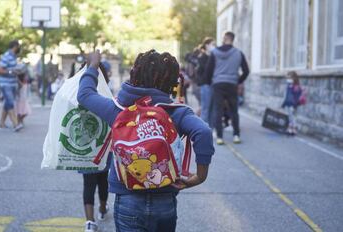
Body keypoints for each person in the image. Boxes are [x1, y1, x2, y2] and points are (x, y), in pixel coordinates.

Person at [78, 49, 214, 232]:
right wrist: (199, 177)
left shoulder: (118, 110)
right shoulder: (176, 112)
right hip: (165, 200)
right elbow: (203, 132)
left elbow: (85, 95)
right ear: (171, 82)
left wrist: (93, 65)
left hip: (128, 199)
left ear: (135, 75)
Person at [202, 31, 249, 145]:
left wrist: (209, 82)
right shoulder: (239, 53)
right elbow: (246, 71)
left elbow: (208, 70)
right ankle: (236, 135)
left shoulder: (215, 53)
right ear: (233, 39)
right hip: (232, 84)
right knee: (234, 110)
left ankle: (219, 137)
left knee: (218, 110)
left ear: (224, 38)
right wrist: (238, 81)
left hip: (217, 84)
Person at [0, 40, 23, 131]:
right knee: (10, 102)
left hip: (13, 83)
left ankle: (1, 123)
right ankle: (16, 124)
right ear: (15, 46)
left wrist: (18, 79)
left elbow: (12, 70)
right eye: (18, 46)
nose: (19, 48)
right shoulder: (6, 56)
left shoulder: (14, 57)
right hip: (5, 84)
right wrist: (11, 71)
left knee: (7, 103)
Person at [197, 37, 216, 127]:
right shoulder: (202, 57)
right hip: (205, 85)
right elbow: (200, 72)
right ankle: (203, 128)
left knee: (212, 109)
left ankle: (211, 128)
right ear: (207, 45)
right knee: (206, 108)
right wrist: (202, 83)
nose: (214, 46)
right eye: (212, 44)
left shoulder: (214, 56)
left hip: (213, 84)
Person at [281, 71, 303, 135]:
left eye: (289, 78)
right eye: (287, 78)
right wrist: (283, 104)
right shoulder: (288, 86)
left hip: (293, 104)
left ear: (294, 78)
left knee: (293, 117)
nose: (288, 79)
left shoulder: (296, 86)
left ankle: (294, 129)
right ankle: (290, 128)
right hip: (288, 103)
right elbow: (286, 96)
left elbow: (297, 97)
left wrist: (295, 105)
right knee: (289, 117)